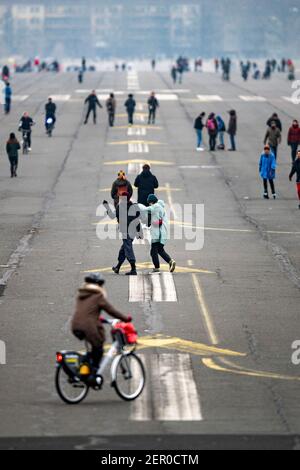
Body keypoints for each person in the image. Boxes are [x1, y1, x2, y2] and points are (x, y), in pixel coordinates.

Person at [71, 273, 131, 377]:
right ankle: (93, 373)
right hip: (88, 326)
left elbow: (86, 312)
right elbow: (111, 310)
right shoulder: (98, 296)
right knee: (99, 347)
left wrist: (98, 319)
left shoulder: (81, 295)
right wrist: (125, 318)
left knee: (93, 349)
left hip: (75, 325)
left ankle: (87, 366)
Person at [103, 194, 141, 276]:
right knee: (123, 249)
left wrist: (107, 207)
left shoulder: (120, 207)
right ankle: (118, 267)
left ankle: (133, 269)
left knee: (128, 248)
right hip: (133, 231)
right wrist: (139, 231)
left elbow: (112, 216)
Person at [139, 194, 176, 274]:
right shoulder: (160, 207)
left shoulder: (155, 207)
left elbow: (145, 209)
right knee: (160, 250)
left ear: (151, 202)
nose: (149, 204)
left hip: (157, 233)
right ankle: (170, 261)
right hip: (162, 232)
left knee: (153, 251)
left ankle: (156, 268)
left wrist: (136, 206)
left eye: (149, 203)